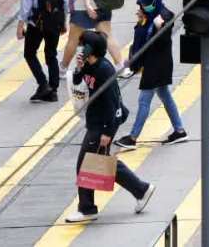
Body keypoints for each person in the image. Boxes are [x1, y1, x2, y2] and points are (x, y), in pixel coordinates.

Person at [65, 31, 156, 223]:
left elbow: (113, 104)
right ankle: (142, 190)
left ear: (90, 49)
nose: (79, 48)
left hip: (104, 123)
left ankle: (87, 208)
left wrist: (107, 132)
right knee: (103, 162)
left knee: (85, 164)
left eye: (82, 45)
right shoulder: (89, 65)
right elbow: (77, 82)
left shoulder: (104, 70)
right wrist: (79, 68)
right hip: (96, 120)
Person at [114, 0, 186, 149]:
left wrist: (159, 27)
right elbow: (140, 39)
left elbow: (162, 37)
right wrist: (141, 21)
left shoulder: (164, 16)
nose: (145, 7)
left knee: (143, 101)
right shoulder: (145, 16)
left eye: (148, 5)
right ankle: (180, 131)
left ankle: (133, 137)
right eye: (143, 4)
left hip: (158, 65)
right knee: (165, 96)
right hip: (152, 63)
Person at [18, 0, 69, 102]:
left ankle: (43, 84)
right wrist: (63, 22)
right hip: (55, 21)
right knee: (51, 54)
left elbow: (26, 5)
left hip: (36, 23)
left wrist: (20, 25)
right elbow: (65, 1)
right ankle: (53, 90)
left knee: (29, 53)